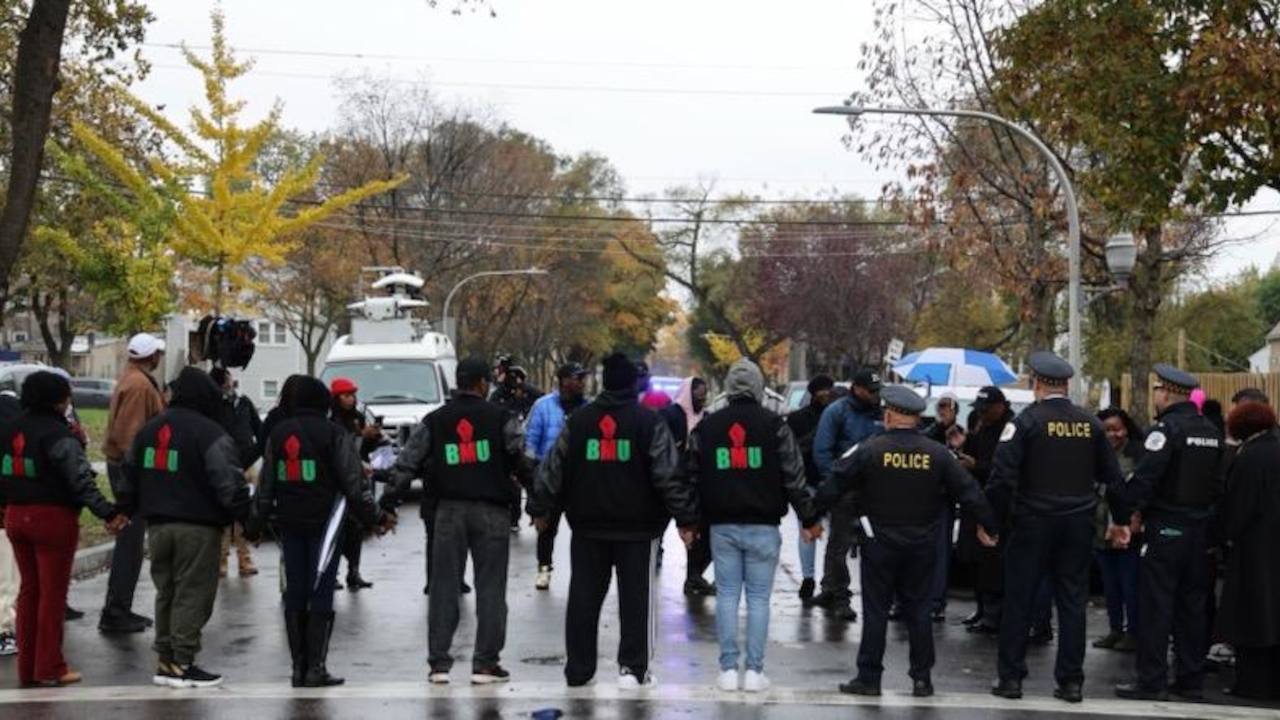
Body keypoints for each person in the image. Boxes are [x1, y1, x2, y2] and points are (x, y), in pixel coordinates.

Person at [815, 385, 998, 698]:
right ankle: (922, 678)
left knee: (875, 611)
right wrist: (989, 525)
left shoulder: (870, 448)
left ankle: (869, 677)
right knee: (918, 611)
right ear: (915, 418)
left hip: (880, 542)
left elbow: (836, 481)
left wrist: (810, 516)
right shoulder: (937, 453)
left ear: (888, 414)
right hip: (922, 544)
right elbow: (969, 491)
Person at [531, 352, 699, 690]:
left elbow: (553, 468)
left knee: (583, 598)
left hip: (588, 526)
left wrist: (539, 507)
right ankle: (633, 670)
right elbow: (667, 474)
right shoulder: (648, 422)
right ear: (633, 383)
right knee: (636, 599)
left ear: (604, 381)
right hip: (638, 529)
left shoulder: (578, 422)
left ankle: (579, 669)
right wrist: (686, 518)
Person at [381, 358, 532, 685]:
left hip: (447, 511)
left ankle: (439, 664)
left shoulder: (435, 421)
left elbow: (408, 462)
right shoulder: (502, 418)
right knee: (491, 589)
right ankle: (485, 664)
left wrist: (388, 502)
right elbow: (521, 460)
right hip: (492, 512)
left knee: (443, 587)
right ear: (480, 384)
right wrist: (540, 502)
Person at [985, 352, 1126, 704]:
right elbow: (1113, 478)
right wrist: (1121, 519)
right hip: (1078, 523)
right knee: (1072, 602)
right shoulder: (1090, 424)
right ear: (1065, 385)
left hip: (1033, 521)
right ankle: (1071, 682)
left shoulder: (1026, 422)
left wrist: (991, 522)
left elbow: (1001, 477)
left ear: (1036, 384)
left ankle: (1011, 679)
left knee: (1020, 598)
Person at [686, 359, 823, 693]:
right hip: (763, 525)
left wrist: (689, 521)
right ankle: (755, 671)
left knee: (728, 596)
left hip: (722, 525)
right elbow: (794, 475)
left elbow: (690, 476)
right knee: (760, 599)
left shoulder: (707, 427)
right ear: (760, 387)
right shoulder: (776, 425)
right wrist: (809, 518)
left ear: (729, 389)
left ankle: (728, 670)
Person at [250, 375, 395, 687]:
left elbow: (265, 487)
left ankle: (297, 668)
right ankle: (316, 667)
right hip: (325, 525)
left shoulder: (277, 434)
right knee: (321, 591)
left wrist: (255, 525)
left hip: (289, 524)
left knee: (295, 591)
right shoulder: (334, 433)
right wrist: (377, 517)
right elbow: (354, 484)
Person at [115, 367, 250, 689]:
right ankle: (183, 661)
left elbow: (128, 474)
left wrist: (124, 510)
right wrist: (248, 520)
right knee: (193, 594)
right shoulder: (210, 432)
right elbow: (228, 483)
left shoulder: (149, 430)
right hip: (198, 527)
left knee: (167, 592)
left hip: (157, 527)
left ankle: (165, 658)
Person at [0, 372, 127, 687]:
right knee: (52, 595)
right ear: (59, 400)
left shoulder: (7, 431)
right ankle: (51, 667)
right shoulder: (60, 435)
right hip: (52, 519)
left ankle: (27, 667)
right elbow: (80, 480)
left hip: (15, 516)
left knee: (29, 593)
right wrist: (109, 513)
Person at [1113, 364, 1224, 702]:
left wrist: (1123, 512)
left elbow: (1146, 479)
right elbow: (1220, 485)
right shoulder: (1211, 431)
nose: (1156, 396)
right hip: (1201, 529)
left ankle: (1151, 679)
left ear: (1166, 393)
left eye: (1158, 390)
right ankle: (1190, 680)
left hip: (1167, 528)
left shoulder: (1166, 431)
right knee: (1193, 606)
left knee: (1157, 605)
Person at [99, 333, 166, 634]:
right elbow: (130, 437)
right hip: (130, 472)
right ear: (151, 357)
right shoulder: (139, 385)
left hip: (124, 468)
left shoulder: (131, 378)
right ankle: (116, 611)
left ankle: (118, 608)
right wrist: (138, 480)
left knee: (130, 541)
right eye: (158, 354)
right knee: (130, 542)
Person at [1215, 399, 1280, 700]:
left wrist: (1224, 536)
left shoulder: (1250, 456)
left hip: (1255, 549)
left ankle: (1253, 684)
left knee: (1252, 616)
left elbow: (1238, 507)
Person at [806, 369, 884, 621]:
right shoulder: (837, 412)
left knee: (859, 544)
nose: (875, 396)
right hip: (845, 489)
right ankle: (839, 595)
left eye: (877, 391)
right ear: (857, 388)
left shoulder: (880, 413)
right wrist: (838, 482)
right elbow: (822, 451)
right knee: (841, 543)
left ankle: (831, 588)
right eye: (870, 391)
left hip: (873, 489)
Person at [524, 362, 590, 591]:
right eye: (577, 377)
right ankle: (544, 569)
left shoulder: (588, 409)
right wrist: (531, 477)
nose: (582, 382)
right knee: (546, 527)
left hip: (578, 481)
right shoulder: (543, 406)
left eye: (583, 378)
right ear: (563, 381)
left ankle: (582, 574)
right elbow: (530, 443)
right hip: (549, 478)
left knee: (582, 529)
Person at [957, 386, 1014, 635]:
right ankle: (982, 608)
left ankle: (994, 614)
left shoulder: (1010, 430)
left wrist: (977, 465)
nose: (982, 414)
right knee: (975, 559)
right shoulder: (981, 427)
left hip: (998, 504)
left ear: (999, 407)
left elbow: (1005, 470)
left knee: (993, 561)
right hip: (976, 499)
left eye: (986, 410)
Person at [1092, 408, 1144, 653]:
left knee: (1129, 582)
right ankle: (1115, 630)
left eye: (1117, 428)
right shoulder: (1093, 454)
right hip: (1100, 528)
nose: (1112, 434)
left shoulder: (1137, 454)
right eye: (1106, 429)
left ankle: (1134, 632)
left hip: (1126, 528)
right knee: (1110, 584)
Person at [660, 377, 714, 597]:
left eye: (705, 393)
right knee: (659, 528)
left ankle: (694, 576)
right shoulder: (668, 415)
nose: (703, 398)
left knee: (702, 535)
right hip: (669, 483)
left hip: (698, 485)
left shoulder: (709, 419)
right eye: (699, 393)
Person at [784, 374, 836, 601]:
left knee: (836, 536)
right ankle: (808, 578)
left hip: (833, 483)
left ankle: (829, 581)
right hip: (808, 483)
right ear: (812, 392)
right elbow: (791, 452)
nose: (825, 393)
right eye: (821, 389)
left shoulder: (837, 415)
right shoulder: (797, 419)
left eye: (829, 389)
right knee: (808, 531)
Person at [329, 377, 381, 591]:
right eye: (346, 395)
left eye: (352, 395)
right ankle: (332, 573)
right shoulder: (332, 420)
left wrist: (373, 437)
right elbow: (340, 448)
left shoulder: (357, 418)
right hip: (338, 481)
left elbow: (363, 449)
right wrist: (360, 434)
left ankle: (354, 571)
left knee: (356, 528)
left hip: (359, 477)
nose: (351, 400)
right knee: (336, 530)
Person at [210, 367, 262, 578]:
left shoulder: (245, 403)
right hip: (221, 465)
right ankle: (220, 560)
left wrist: (255, 453)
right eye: (225, 382)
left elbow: (260, 430)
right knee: (222, 514)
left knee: (243, 513)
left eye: (230, 382)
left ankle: (244, 558)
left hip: (246, 464)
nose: (230, 386)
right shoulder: (212, 406)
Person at [921, 392, 961, 622]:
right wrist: (939, 427)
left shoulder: (960, 433)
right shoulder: (931, 431)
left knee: (940, 551)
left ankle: (936, 602)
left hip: (945, 498)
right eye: (941, 407)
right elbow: (924, 443)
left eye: (948, 407)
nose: (944, 411)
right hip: (924, 496)